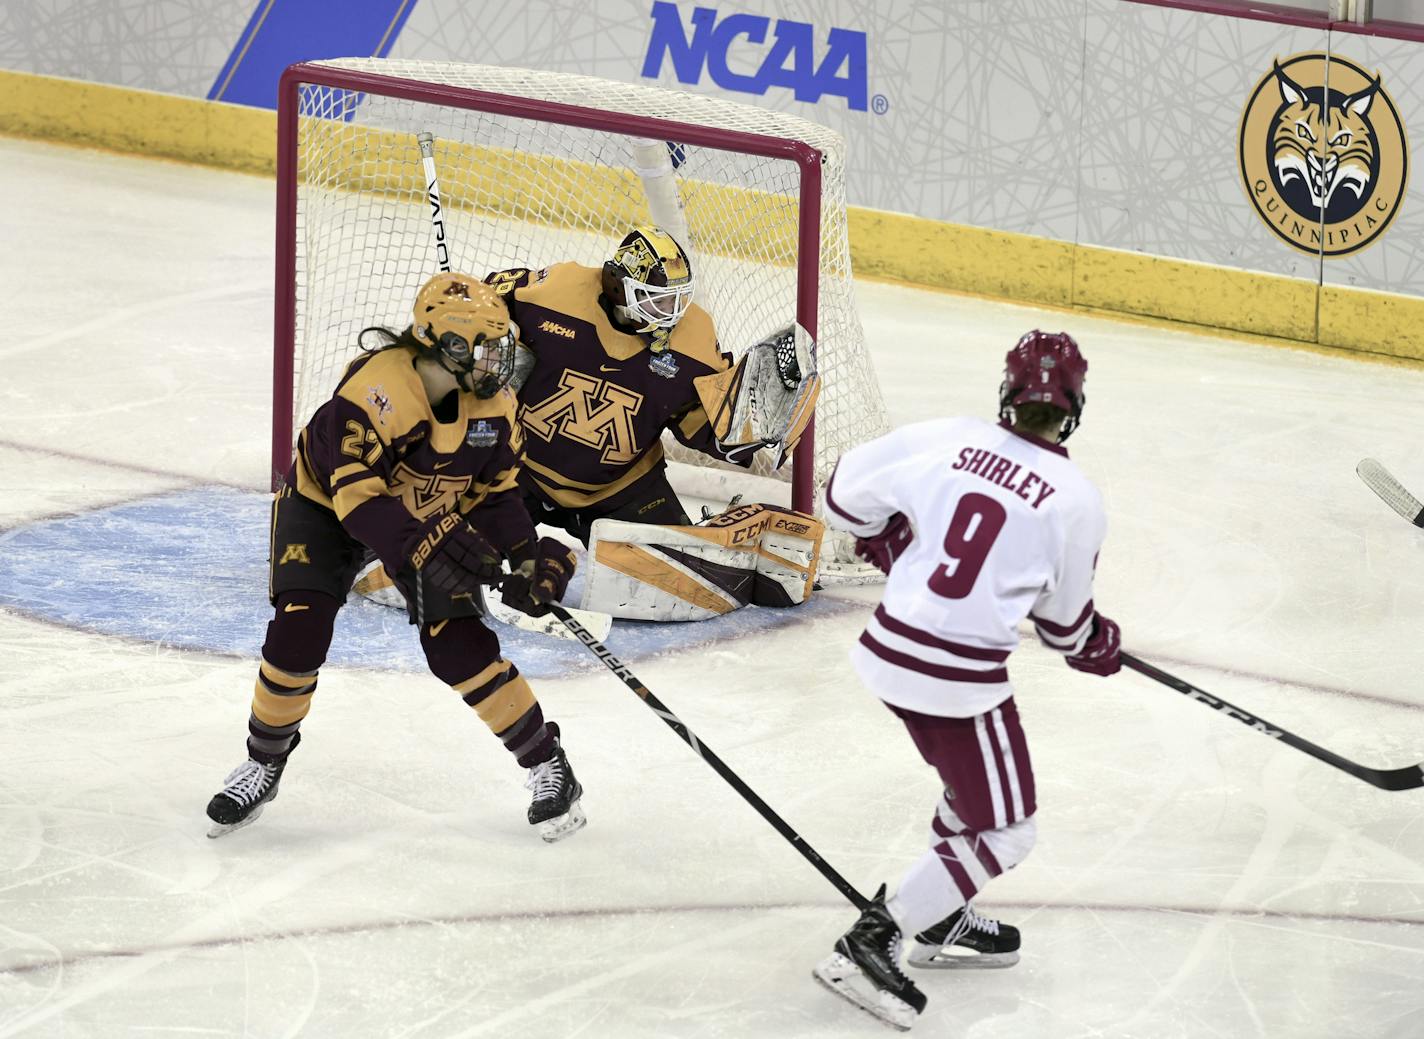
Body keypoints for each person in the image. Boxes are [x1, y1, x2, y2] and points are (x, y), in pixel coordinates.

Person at [205, 273, 586, 844]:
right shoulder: (368, 398)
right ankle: (264, 761)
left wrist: (526, 558)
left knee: (459, 649)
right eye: (489, 346)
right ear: (449, 348)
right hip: (326, 510)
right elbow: (358, 507)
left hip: (424, 513)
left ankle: (548, 766)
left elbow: (500, 493)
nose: (503, 361)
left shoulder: (496, 407)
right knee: (298, 632)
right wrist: (429, 543)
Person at [812, 331, 1122, 1029]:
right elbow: (1066, 629)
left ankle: (940, 915)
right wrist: (1097, 642)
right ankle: (875, 938)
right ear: (1074, 406)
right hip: (956, 677)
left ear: (1007, 394)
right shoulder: (1076, 498)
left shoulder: (949, 438)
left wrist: (890, 540)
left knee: (972, 794)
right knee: (1009, 829)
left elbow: (840, 494)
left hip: (890, 648)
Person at [485, 224, 816, 546]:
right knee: (448, 548)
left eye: (676, 301)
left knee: (684, 570)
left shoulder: (693, 342)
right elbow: (482, 300)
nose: (671, 315)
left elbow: (704, 426)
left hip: (621, 490)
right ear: (618, 286)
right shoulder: (554, 295)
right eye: (657, 300)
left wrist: (752, 426)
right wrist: (484, 334)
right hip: (517, 470)